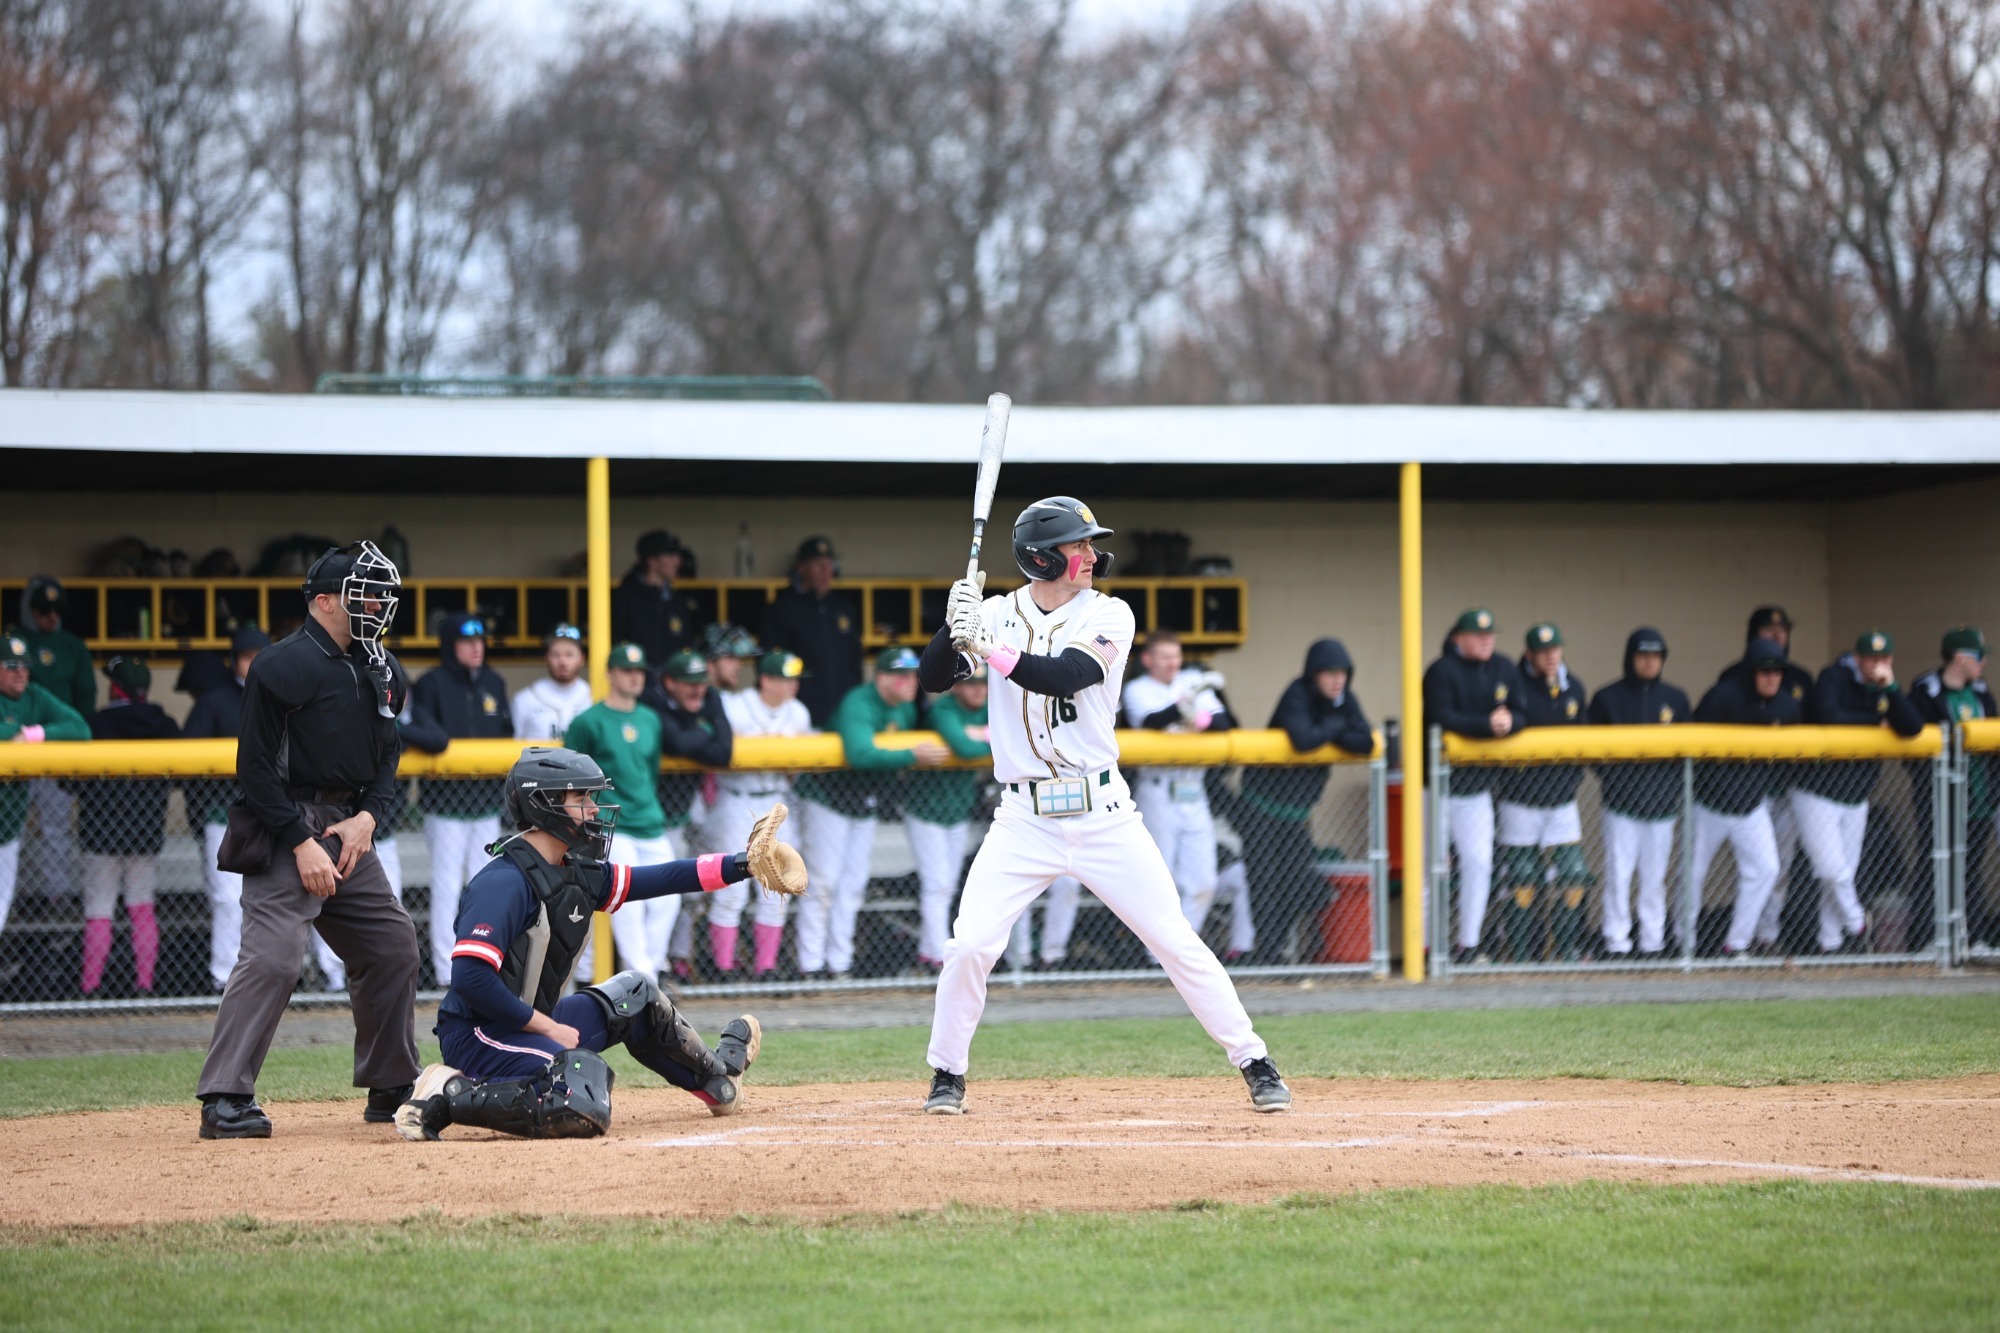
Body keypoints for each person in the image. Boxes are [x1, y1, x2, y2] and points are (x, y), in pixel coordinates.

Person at [919, 496, 1289, 1114]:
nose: (1091, 555)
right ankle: (947, 1074)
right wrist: (950, 627)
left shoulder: (1111, 614)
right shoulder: (997, 613)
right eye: (1078, 545)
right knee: (970, 945)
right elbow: (933, 678)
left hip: (1103, 814)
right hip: (1023, 819)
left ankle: (1255, 1061)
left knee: (1173, 938)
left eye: (1090, 544)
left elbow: (1064, 675)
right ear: (1042, 557)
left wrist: (988, 649)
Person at [392, 747, 805, 1141]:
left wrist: (742, 865)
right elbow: (470, 979)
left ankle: (719, 1082)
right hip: (478, 1035)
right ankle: (446, 1092)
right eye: (582, 798)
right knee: (579, 1090)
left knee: (637, 995)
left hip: (528, 1024)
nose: (593, 809)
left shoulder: (573, 870)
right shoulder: (503, 882)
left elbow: (658, 878)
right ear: (544, 805)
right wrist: (548, 1027)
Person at [197, 541, 421, 1140]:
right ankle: (224, 1097)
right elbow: (254, 770)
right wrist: (300, 842)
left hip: (349, 825)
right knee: (273, 959)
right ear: (324, 601)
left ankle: (391, 1083)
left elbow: (389, 755)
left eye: (381, 595)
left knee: (392, 946)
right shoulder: (281, 664)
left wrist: (368, 817)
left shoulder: (382, 665)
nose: (377, 605)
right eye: (364, 595)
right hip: (283, 823)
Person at [796, 646, 949, 979]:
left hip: (864, 803)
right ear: (881, 678)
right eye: (901, 675)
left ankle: (839, 963)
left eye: (912, 675)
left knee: (853, 885)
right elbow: (860, 754)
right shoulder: (859, 702)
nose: (910, 682)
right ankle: (810, 964)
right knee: (823, 883)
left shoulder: (906, 708)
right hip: (828, 799)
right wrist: (911, 756)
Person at [1234, 638, 1374, 965]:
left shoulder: (1345, 699)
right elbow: (1303, 738)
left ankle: (1274, 950)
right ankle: (1268, 954)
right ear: (1314, 675)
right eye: (1329, 673)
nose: (1337, 680)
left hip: (1296, 812)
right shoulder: (1297, 693)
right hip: (1261, 807)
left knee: (1297, 882)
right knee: (1266, 883)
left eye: (1342, 673)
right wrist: (1338, 726)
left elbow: (1366, 742)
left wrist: (1332, 727)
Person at [1796, 630, 1924, 953]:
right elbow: (1828, 716)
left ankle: (1830, 942)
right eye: (1871, 658)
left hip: (1857, 794)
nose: (1877, 664)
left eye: (1884, 658)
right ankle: (1856, 922)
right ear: (1857, 658)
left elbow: (1912, 726)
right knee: (1831, 869)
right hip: (1816, 791)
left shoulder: (1883, 687)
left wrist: (1891, 687)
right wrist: (1873, 723)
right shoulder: (1834, 676)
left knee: (1845, 873)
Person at [406, 616, 513, 985]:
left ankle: (484, 961)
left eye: (480, 641)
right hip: (445, 807)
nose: (476, 648)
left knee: (486, 887)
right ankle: (445, 970)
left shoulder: (494, 682)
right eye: (467, 642)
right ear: (451, 645)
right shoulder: (431, 683)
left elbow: (507, 734)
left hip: (486, 805)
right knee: (447, 887)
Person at [565, 643, 677, 985]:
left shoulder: (650, 719)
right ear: (610, 674)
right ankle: (645, 980)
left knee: (669, 899)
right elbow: (573, 776)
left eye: (639, 671)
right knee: (628, 900)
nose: (634, 677)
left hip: (650, 820)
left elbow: (650, 771)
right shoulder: (587, 721)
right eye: (627, 670)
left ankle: (648, 972)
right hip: (611, 823)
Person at [70, 658, 180, 996]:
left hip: (99, 833)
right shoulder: (164, 724)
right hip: (145, 832)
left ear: (115, 688)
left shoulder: (95, 724)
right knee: (142, 906)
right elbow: (180, 780)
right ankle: (144, 985)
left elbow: (68, 782)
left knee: (99, 909)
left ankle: (90, 987)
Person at [1690, 638, 1803, 955]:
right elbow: (1695, 744)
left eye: (1777, 672)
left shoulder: (1786, 706)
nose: (1771, 677)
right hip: (1709, 803)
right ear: (1750, 671)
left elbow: (1792, 755)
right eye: (1764, 671)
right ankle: (1684, 942)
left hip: (1751, 804)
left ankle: (1736, 943)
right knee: (1693, 874)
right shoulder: (1722, 696)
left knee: (1766, 868)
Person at [1423, 609, 1522, 964]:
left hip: (1476, 788)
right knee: (1430, 867)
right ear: (1458, 638)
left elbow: (1523, 711)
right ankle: (1426, 948)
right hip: (1433, 788)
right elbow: (1442, 716)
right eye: (1477, 635)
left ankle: (1469, 943)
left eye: (1489, 634)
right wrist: (1487, 724)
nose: (1485, 640)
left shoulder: (1504, 668)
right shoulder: (1441, 670)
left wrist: (1510, 721)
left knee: (1479, 863)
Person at [1121, 631, 1232, 946]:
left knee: (1203, 881)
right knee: (1161, 880)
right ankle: (1156, 954)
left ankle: (1181, 949)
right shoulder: (1137, 689)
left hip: (1194, 791)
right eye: (1165, 657)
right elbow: (1151, 721)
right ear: (1148, 659)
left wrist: (1201, 717)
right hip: (1158, 791)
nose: (1173, 662)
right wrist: (1182, 707)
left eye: (1176, 656)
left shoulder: (1192, 680)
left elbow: (1225, 722)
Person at [1586, 628, 1691, 958]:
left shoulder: (1676, 699)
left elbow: (1687, 753)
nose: (1649, 662)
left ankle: (1652, 942)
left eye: (1656, 656)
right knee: (1618, 875)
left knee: (1654, 879)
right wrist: (1616, 781)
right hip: (1621, 806)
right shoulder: (1607, 697)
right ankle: (1616, 942)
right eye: (1643, 655)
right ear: (1630, 657)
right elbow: (1590, 749)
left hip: (1662, 807)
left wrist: (1670, 788)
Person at [710, 651, 815, 977]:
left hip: (776, 802)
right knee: (732, 888)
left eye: (795, 680)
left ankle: (765, 967)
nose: (793, 685)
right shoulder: (735, 705)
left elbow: (798, 769)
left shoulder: (798, 712)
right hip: (736, 801)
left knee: (778, 885)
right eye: (785, 679)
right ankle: (722, 968)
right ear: (766, 680)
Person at [180, 626, 272, 991]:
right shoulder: (214, 700)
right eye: (246, 658)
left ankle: (273, 973)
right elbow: (188, 759)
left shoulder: (284, 695)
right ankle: (225, 976)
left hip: (276, 815)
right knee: (229, 899)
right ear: (234, 662)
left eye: (259, 657)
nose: (253, 664)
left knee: (274, 899)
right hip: (225, 813)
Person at [1493, 623, 1589, 961]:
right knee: (1522, 877)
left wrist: (1571, 781)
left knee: (1573, 875)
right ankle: (1518, 956)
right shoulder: (1513, 686)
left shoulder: (1574, 687)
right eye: (1542, 652)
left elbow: (1584, 740)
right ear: (1529, 654)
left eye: (1555, 650)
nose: (1550, 657)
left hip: (1561, 799)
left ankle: (1564, 953)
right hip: (1520, 798)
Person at [1910, 627, 1998, 948]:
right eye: (1978, 657)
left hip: (1979, 796)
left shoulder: (1981, 692)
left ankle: (1972, 936)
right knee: (1934, 864)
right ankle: (1923, 939)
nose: (1983, 663)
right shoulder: (1927, 690)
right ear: (1960, 658)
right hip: (1941, 797)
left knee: (1969, 867)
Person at [0, 632, 90, 945]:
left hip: (8, 824)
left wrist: (32, 734)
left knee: (1, 900)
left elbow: (79, 728)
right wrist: (13, 732)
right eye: (11, 665)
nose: (20, 673)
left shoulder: (34, 696)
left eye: (24, 666)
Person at [908, 664, 992, 973]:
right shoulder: (944, 708)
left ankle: (929, 951)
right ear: (957, 686)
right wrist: (989, 737)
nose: (978, 690)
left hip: (958, 810)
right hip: (925, 809)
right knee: (938, 886)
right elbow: (964, 748)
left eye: (983, 684)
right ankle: (938, 955)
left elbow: (1020, 735)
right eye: (971, 684)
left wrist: (981, 733)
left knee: (949, 886)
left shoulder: (991, 708)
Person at [16, 577, 92, 903]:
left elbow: (85, 701)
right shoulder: (15, 642)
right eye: (44, 610)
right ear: (30, 610)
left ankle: (56, 898)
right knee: (11, 828)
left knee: (56, 827)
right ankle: (12, 898)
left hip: (57, 751)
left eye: (56, 610)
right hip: (15, 753)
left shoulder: (72, 646)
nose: (51, 617)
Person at [762, 535, 863, 727]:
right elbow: (771, 660)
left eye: (829, 564)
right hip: (799, 711)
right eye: (818, 565)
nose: (826, 571)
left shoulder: (844, 608)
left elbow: (855, 660)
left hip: (843, 711)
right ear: (801, 568)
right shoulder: (782, 609)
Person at [611, 529, 699, 670]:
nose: (677, 561)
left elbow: (687, 644)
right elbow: (617, 644)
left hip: (672, 680)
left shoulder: (677, 600)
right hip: (637, 678)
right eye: (670, 555)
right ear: (652, 561)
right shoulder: (624, 598)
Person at [511, 624, 592, 740]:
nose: (562, 661)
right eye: (556, 655)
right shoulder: (524, 700)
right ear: (546, 658)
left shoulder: (594, 698)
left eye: (569, 654)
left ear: (581, 659)